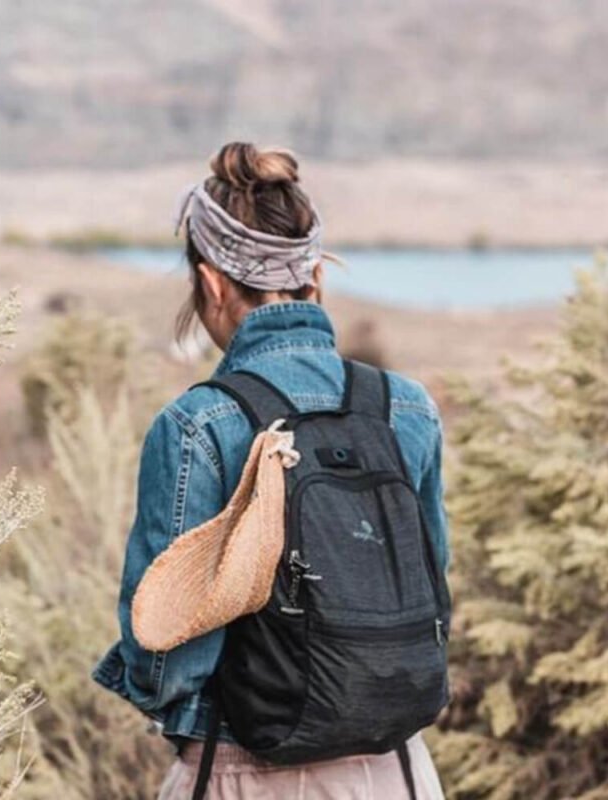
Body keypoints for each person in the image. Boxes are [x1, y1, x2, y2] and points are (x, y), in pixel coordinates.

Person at [92, 142, 449, 799]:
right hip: (398, 770)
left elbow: (165, 647)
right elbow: (431, 589)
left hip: (240, 768)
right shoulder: (405, 407)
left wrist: (142, 686)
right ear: (314, 277)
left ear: (211, 282)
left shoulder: (197, 424)